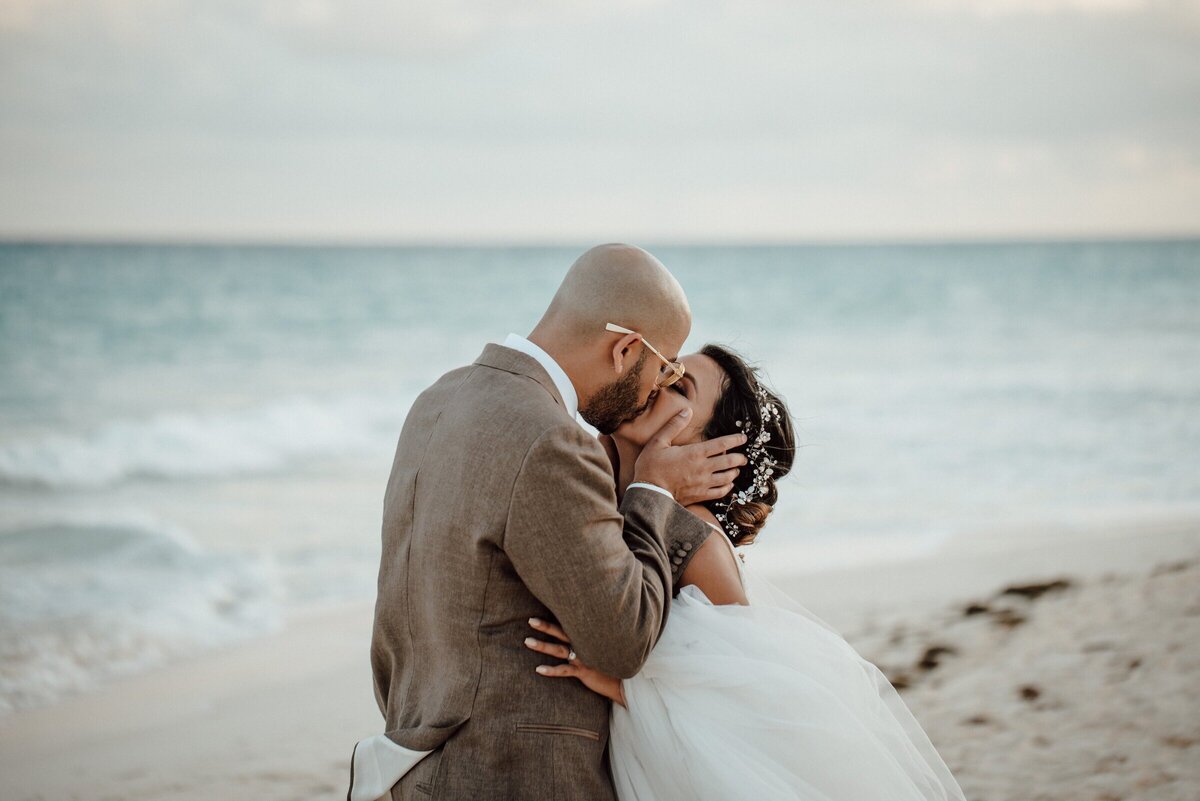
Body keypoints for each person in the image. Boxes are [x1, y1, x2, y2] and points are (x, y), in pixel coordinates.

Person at [347, 244, 749, 801]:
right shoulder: (551, 441)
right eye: (665, 369)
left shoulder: (436, 400)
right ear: (627, 348)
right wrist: (653, 489)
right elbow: (622, 644)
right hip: (512, 778)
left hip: (412, 766)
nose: (659, 387)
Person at [523, 344, 969, 801]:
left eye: (679, 384)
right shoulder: (596, 481)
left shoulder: (696, 541)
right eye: (666, 366)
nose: (656, 377)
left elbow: (742, 704)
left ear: (712, 451)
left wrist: (616, 683)